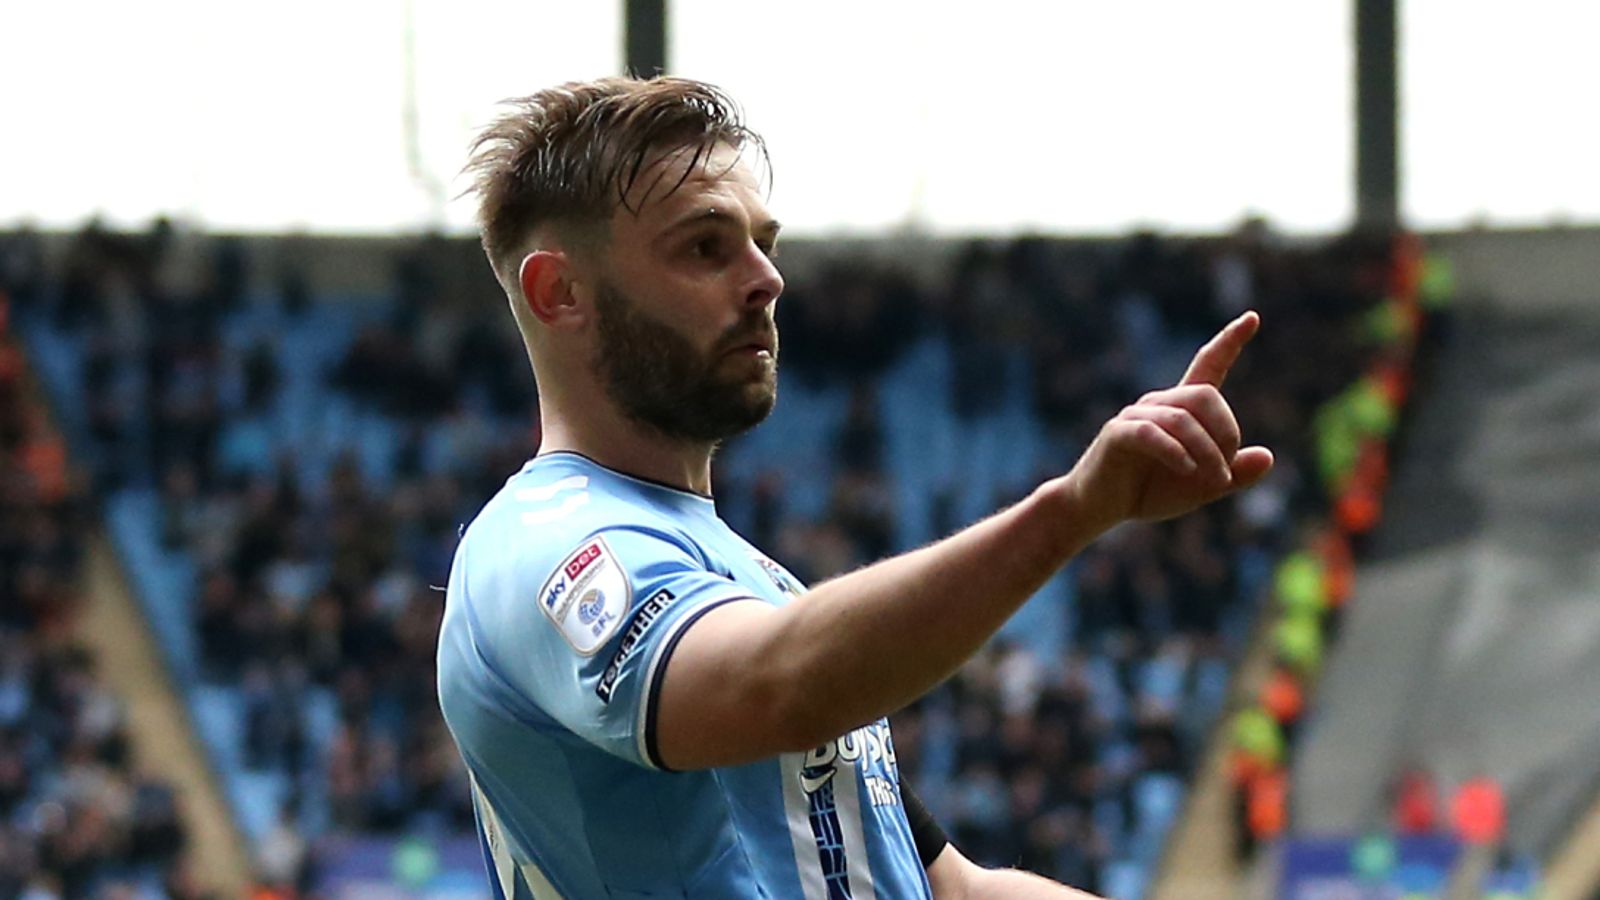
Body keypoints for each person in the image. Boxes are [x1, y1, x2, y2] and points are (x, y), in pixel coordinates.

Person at [435, 75, 1274, 899]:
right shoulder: (544, 545)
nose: (768, 279)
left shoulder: (755, 584)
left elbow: (956, 890)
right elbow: (777, 686)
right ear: (561, 292)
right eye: (705, 246)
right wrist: (1073, 511)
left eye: (766, 242)